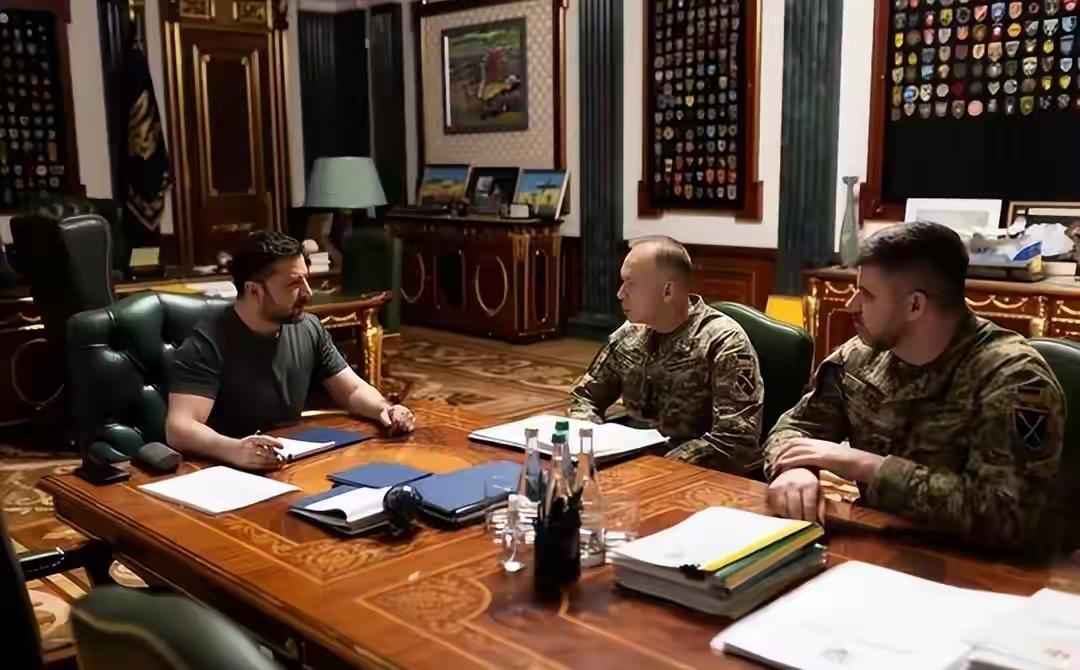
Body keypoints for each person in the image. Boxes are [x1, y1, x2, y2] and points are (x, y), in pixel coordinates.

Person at [764, 221, 1063, 552]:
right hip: (879, 544)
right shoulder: (860, 356)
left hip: (983, 568)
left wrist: (868, 466)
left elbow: (1005, 517)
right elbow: (796, 427)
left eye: (867, 295)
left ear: (915, 306)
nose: (851, 305)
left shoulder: (1013, 377)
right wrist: (796, 469)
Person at [166, 231, 414, 471]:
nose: (307, 292)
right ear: (254, 291)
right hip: (229, 471)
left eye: (306, 279)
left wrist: (384, 409)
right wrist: (233, 449)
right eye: (294, 283)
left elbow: (352, 391)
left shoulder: (308, 327)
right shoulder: (208, 341)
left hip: (291, 459)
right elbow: (180, 427)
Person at [569, 236, 764, 474]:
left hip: (696, 473)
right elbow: (586, 397)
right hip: (633, 460)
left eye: (631, 284)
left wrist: (656, 465)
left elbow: (735, 440)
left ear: (668, 291)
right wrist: (590, 440)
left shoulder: (724, 342)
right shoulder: (630, 333)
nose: (620, 293)